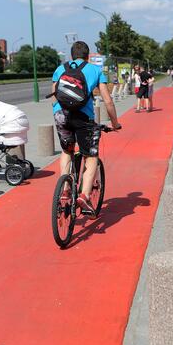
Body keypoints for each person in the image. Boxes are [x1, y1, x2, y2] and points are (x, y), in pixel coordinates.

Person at [51, 41, 121, 217]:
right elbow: (108, 100)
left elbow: (53, 96)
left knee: (67, 150)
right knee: (91, 156)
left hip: (61, 115)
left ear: (72, 55)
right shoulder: (95, 70)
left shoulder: (60, 69)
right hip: (84, 118)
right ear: (88, 56)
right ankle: (84, 195)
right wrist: (115, 123)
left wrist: (60, 113)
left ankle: (65, 189)